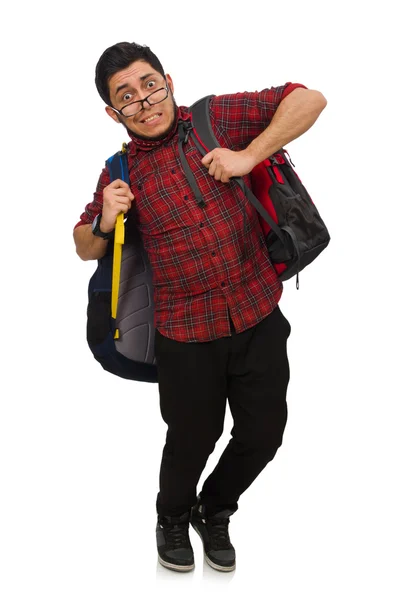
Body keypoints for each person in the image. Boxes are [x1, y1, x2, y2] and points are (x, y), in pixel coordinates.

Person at [73, 41, 327, 573]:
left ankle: (214, 508)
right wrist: (103, 219)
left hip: (256, 312)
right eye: (127, 96)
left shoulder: (215, 119)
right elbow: (84, 246)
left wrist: (249, 154)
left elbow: (310, 99)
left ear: (167, 79)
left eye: (149, 85)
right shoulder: (120, 170)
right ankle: (171, 515)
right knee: (191, 439)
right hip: (184, 335)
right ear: (112, 112)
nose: (144, 101)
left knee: (264, 431)